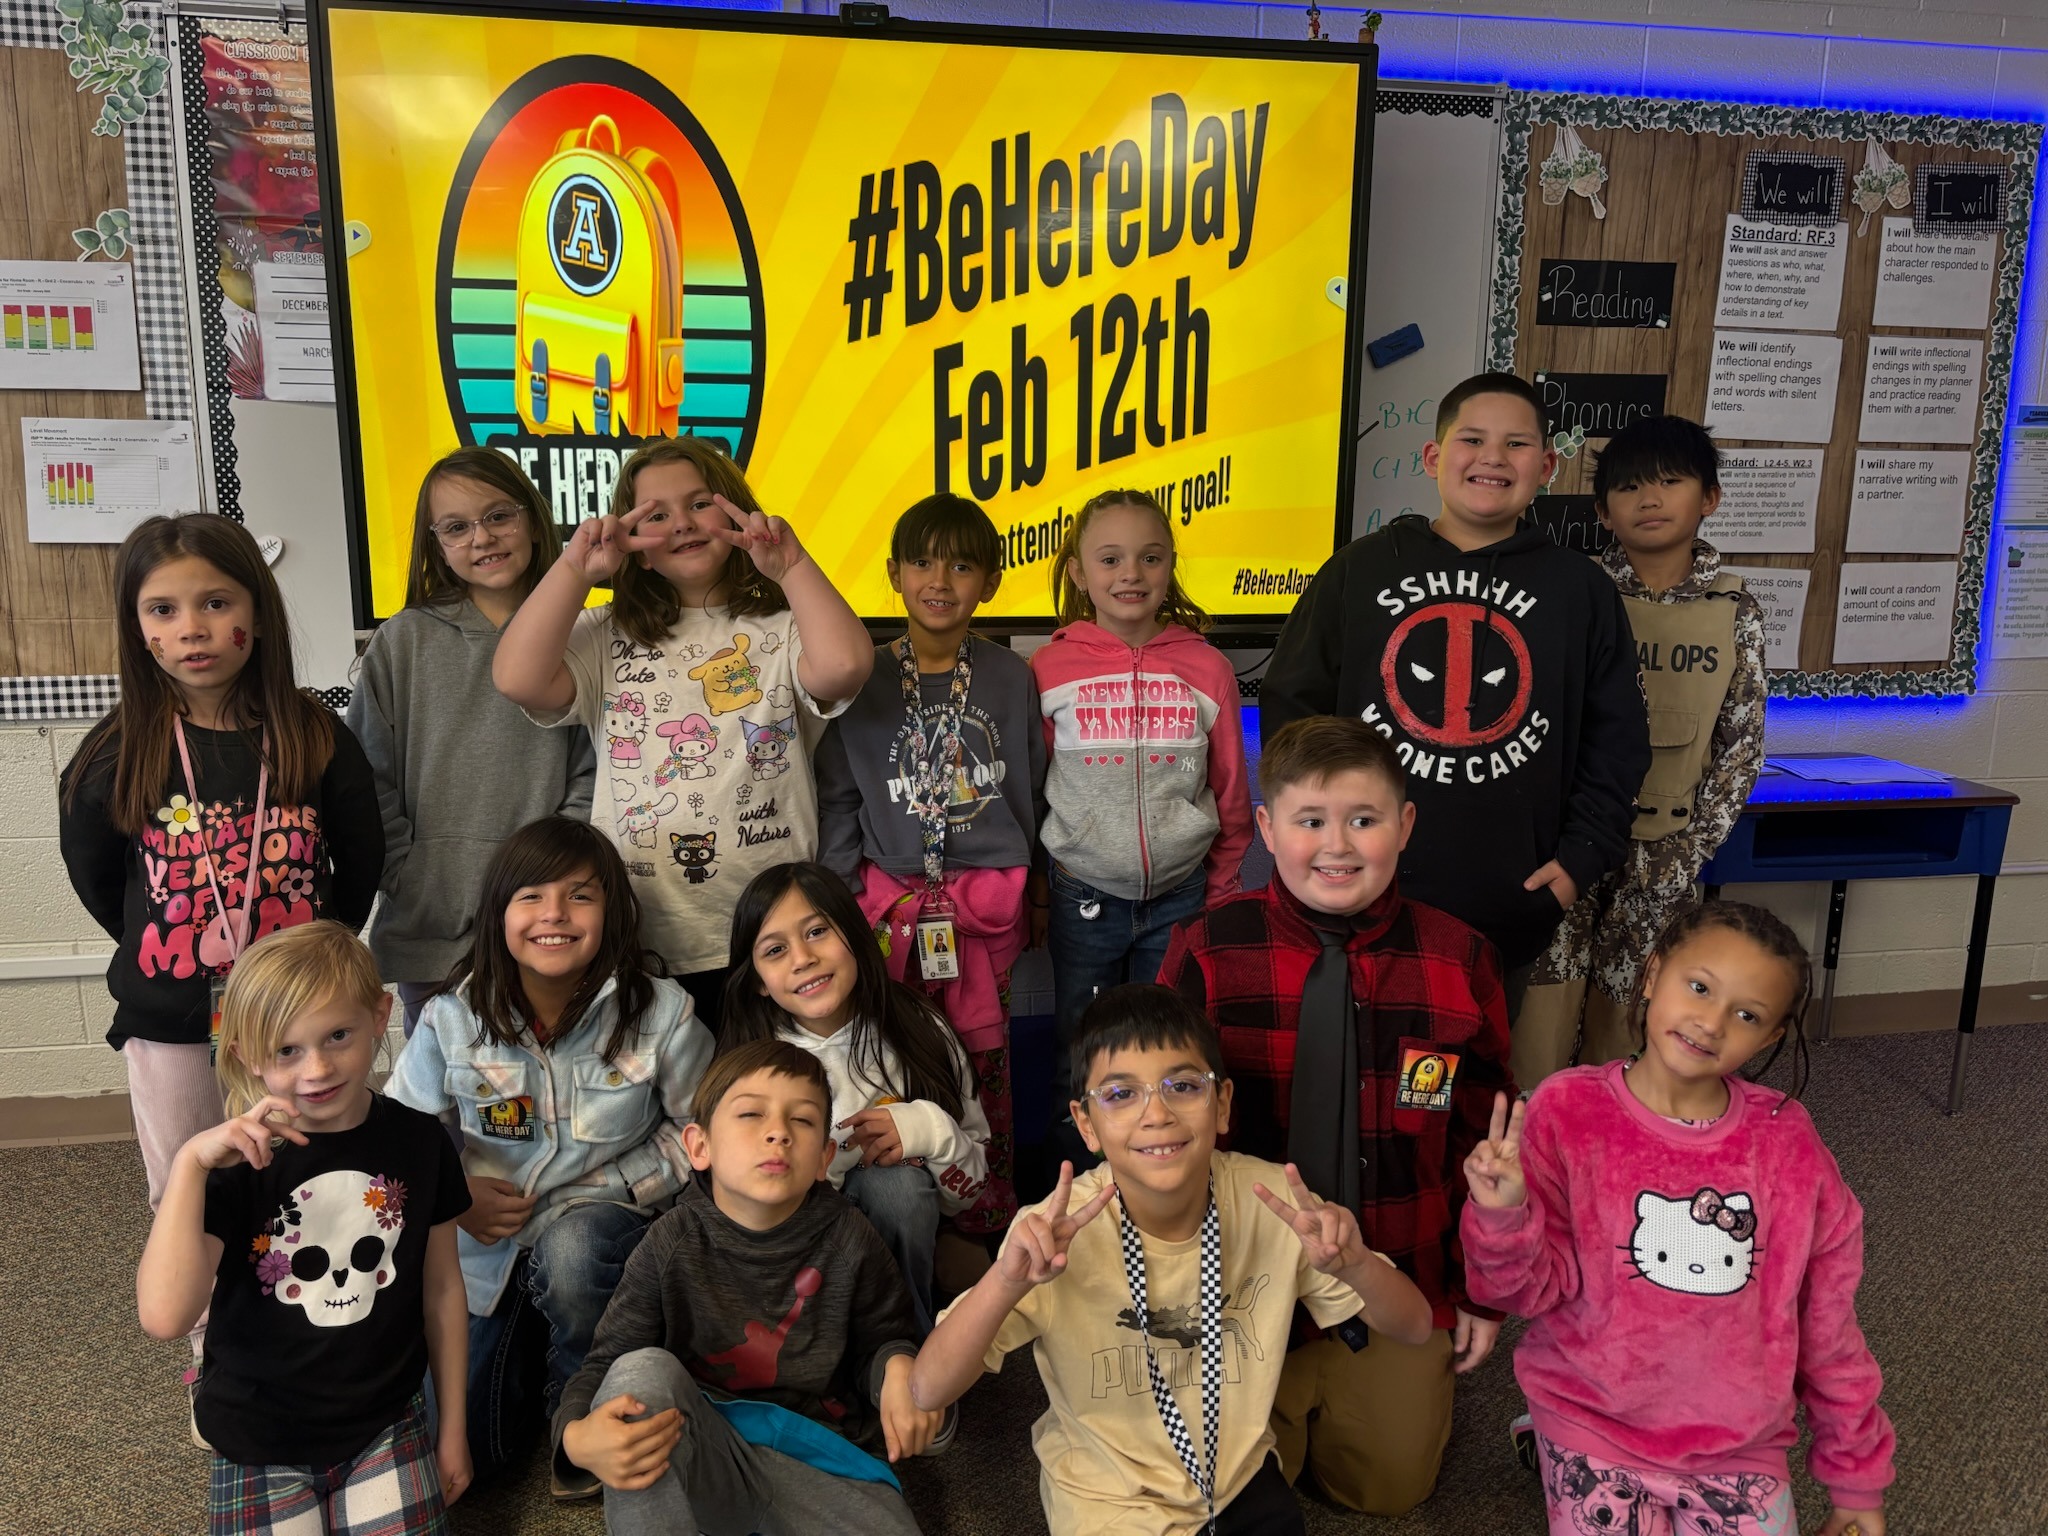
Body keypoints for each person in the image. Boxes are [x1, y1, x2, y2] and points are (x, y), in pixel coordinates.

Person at [911, 985, 1432, 1536]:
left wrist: (1357, 1268)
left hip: (1239, 1482)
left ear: (1223, 1104)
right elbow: (929, 1388)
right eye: (1119, 1094)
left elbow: (1415, 1326)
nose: (1156, 1113)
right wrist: (1005, 1281)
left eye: (1183, 1086)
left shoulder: (1275, 1201)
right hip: (1110, 1500)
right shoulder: (1051, 1233)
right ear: (1085, 1124)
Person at [1157, 715, 1515, 1515]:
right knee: (1218, 1501)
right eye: (1312, 821)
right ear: (1268, 827)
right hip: (1244, 1286)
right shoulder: (1208, 950)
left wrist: (1480, 1293)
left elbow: (1485, 1145)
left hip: (1398, 1272)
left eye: (1364, 820)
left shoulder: (1461, 961)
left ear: (1405, 823)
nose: (1338, 846)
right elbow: (1163, 1139)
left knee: (1388, 1490)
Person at [1258, 372, 1649, 1087]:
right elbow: (1292, 709)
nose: (1492, 457)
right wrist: (1311, 839)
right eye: (1472, 439)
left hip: (1507, 902)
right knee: (1346, 1077)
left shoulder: (1579, 589)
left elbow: (1617, 738)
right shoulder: (1361, 571)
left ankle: (1460, 1204)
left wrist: (1581, 860)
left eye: (1517, 443)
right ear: (1435, 458)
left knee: (1467, 1087)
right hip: (1360, 890)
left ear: (1547, 466)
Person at [61, 513, 383, 1378]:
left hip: (295, 1019)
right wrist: (161, 953)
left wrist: (319, 960)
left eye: (214, 603)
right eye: (162, 611)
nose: (190, 629)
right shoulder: (117, 748)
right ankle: (217, 1350)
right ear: (137, 626)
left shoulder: (313, 734)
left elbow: (361, 857)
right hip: (171, 1021)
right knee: (188, 1183)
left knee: (303, 1169)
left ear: (259, 612)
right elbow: (96, 876)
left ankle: (316, 1311)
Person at [1462, 901, 1894, 1536]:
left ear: (1771, 1036)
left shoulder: (1788, 1145)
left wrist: (1856, 1480)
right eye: (1698, 987)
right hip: (1592, 1417)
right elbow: (1523, 1291)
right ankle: (1548, 1442)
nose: (1711, 1023)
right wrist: (1499, 1217)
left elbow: (1828, 1325)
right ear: (1652, 973)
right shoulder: (1564, 1111)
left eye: (1746, 1014)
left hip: (1738, 1442)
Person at [492, 436, 874, 1031]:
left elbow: (847, 666)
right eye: (656, 516)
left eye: (700, 504)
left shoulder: (783, 627)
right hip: (641, 931)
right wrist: (575, 568)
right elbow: (516, 677)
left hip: (772, 935)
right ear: (635, 547)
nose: (682, 525)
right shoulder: (604, 634)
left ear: (735, 511)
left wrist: (792, 567)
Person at [384, 816, 714, 1498]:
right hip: (489, 1255)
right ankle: (531, 1338)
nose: (554, 915)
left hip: (606, 1239)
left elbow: (702, 1133)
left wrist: (612, 1189)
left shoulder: (664, 1014)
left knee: (572, 1246)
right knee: (466, 1456)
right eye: (530, 895)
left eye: (580, 896)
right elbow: (397, 1138)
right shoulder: (452, 1016)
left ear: (613, 911)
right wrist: (457, 1197)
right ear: (500, 912)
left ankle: (578, 1395)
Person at [135, 922, 472, 1531]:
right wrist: (187, 1165)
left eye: (337, 1035)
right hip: (257, 1434)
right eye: (287, 1050)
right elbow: (164, 1317)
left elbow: (444, 1290)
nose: (317, 1068)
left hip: (384, 1423)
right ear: (244, 1053)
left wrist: (452, 1429)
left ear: (380, 1015)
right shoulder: (237, 1166)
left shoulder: (422, 1143)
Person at [553, 1038, 939, 1535]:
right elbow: (606, 1363)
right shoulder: (670, 1241)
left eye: (800, 1120)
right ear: (699, 1146)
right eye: (751, 1115)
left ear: (824, 1158)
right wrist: (575, 1437)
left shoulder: (850, 1237)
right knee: (639, 1374)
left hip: (822, 1461)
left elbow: (885, 1339)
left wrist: (897, 1367)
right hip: (708, 1456)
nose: (778, 1133)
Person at [816, 491, 1046, 1238]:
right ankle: (909, 1204)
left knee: (990, 1061)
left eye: (961, 564)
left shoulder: (1013, 678)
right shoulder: (862, 679)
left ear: (993, 580)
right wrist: (849, 896)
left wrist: (1035, 887)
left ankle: (985, 1212)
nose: (939, 579)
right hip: (891, 909)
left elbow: (1034, 791)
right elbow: (841, 797)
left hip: (989, 910)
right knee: (894, 1048)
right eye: (921, 561)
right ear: (892, 573)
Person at [1531, 416, 1766, 1071]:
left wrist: (1689, 850)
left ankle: (1617, 1147)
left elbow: (1741, 748)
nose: (1651, 499)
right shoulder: (1574, 594)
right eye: (1631, 488)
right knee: (1543, 1008)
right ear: (1604, 512)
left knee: (1635, 1010)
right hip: (1568, 840)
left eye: (1670, 481)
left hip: (1665, 849)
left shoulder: (1734, 609)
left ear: (1709, 498)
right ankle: (1532, 1146)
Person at [1031, 489, 1253, 1153]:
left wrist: (1221, 891)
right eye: (1111, 559)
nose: (1131, 573)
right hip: (1082, 896)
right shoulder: (1047, 669)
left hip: (1181, 897)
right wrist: (1041, 893)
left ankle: (1162, 1179)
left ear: (1170, 565)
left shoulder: (1208, 668)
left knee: (1171, 1048)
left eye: (1150, 558)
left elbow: (1232, 793)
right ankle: (1074, 1191)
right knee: (1082, 1044)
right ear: (1078, 572)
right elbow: (1035, 793)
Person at [347, 447, 596, 1033]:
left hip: (550, 924)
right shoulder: (402, 642)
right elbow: (366, 777)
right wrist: (411, 873)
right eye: (457, 527)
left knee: (552, 1102)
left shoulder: (584, 632)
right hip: (431, 927)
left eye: (498, 516)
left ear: (533, 519)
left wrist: (552, 877)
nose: (482, 538)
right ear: (436, 545)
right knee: (444, 1106)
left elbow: (598, 769)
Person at [719, 862, 990, 1335]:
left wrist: (928, 1130)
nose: (802, 958)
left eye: (818, 930)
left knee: (898, 1189)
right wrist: (821, 1167)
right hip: (792, 1263)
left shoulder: (919, 1030)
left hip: (901, 1243)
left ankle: (909, 1353)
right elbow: (736, 1213)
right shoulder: (747, 1070)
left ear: (854, 934)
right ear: (758, 979)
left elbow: (967, 1191)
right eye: (776, 949)